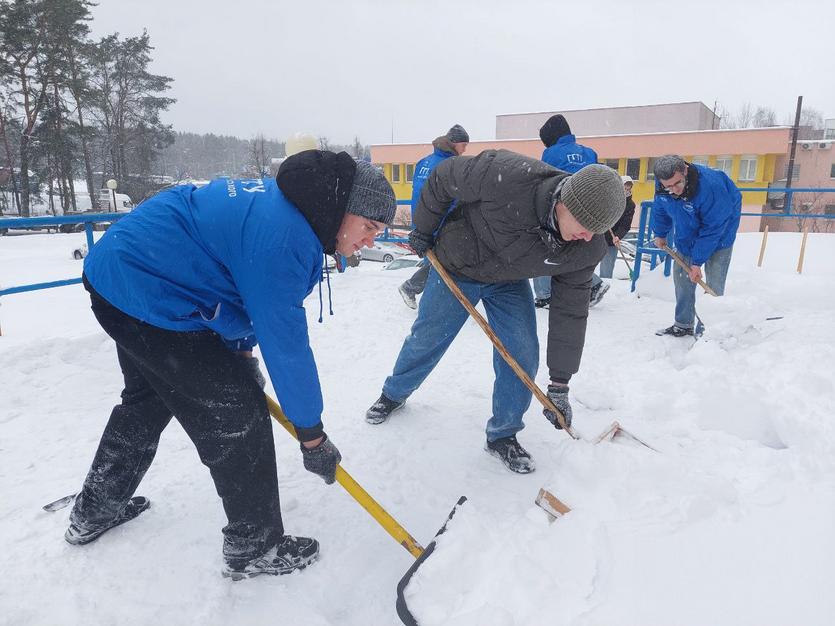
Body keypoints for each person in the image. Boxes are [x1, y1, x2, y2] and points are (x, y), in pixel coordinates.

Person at [66, 150, 396, 579]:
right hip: (147, 287)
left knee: (148, 399)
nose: (370, 240)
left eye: (378, 232)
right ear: (343, 208)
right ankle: (254, 545)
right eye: (368, 227)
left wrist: (240, 353)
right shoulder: (285, 238)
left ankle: (95, 509)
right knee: (236, 414)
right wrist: (312, 436)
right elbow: (286, 345)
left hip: (123, 270)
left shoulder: (292, 207)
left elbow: (239, 291)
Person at [365, 150, 625, 473]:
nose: (587, 236)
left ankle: (503, 434)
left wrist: (560, 384)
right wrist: (423, 229)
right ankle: (393, 393)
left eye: (596, 230)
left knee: (521, 351)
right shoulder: (507, 176)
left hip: (507, 280)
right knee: (428, 337)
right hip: (457, 263)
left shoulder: (586, 246)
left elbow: (570, 314)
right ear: (565, 202)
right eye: (585, 225)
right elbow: (443, 177)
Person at [651, 154, 741, 337]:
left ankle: (709, 330)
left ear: (685, 170)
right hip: (688, 226)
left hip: (720, 231)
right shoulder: (664, 185)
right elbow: (660, 208)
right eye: (668, 186)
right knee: (682, 276)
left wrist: (697, 262)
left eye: (677, 183)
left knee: (713, 284)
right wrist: (660, 233)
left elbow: (713, 229)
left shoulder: (712, 187)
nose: (674, 190)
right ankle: (683, 324)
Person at [532, 114, 609, 308]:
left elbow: (545, 182)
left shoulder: (551, 153)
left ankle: (544, 294)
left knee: (542, 248)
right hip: (589, 212)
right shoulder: (589, 152)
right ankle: (593, 284)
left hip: (564, 211)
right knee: (576, 251)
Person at [398, 124, 469, 309]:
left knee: (435, 260)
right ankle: (412, 289)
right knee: (442, 262)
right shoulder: (449, 165)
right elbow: (451, 198)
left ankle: (422, 294)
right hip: (438, 221)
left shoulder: (424, 162)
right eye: (464, 145)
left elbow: (418, 194)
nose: (464, 150)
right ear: (455, 143)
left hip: (421, 220)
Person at [598, 175, 637, 279]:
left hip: (611, 240)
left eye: (628, 189)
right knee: (587, 266)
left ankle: (605, 283)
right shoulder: (608, 199)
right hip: (597, 236)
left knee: (606, 271)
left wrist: (617, 236)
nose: (626, 191)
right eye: (624, 188)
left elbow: (625, 225)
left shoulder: (630, 205)